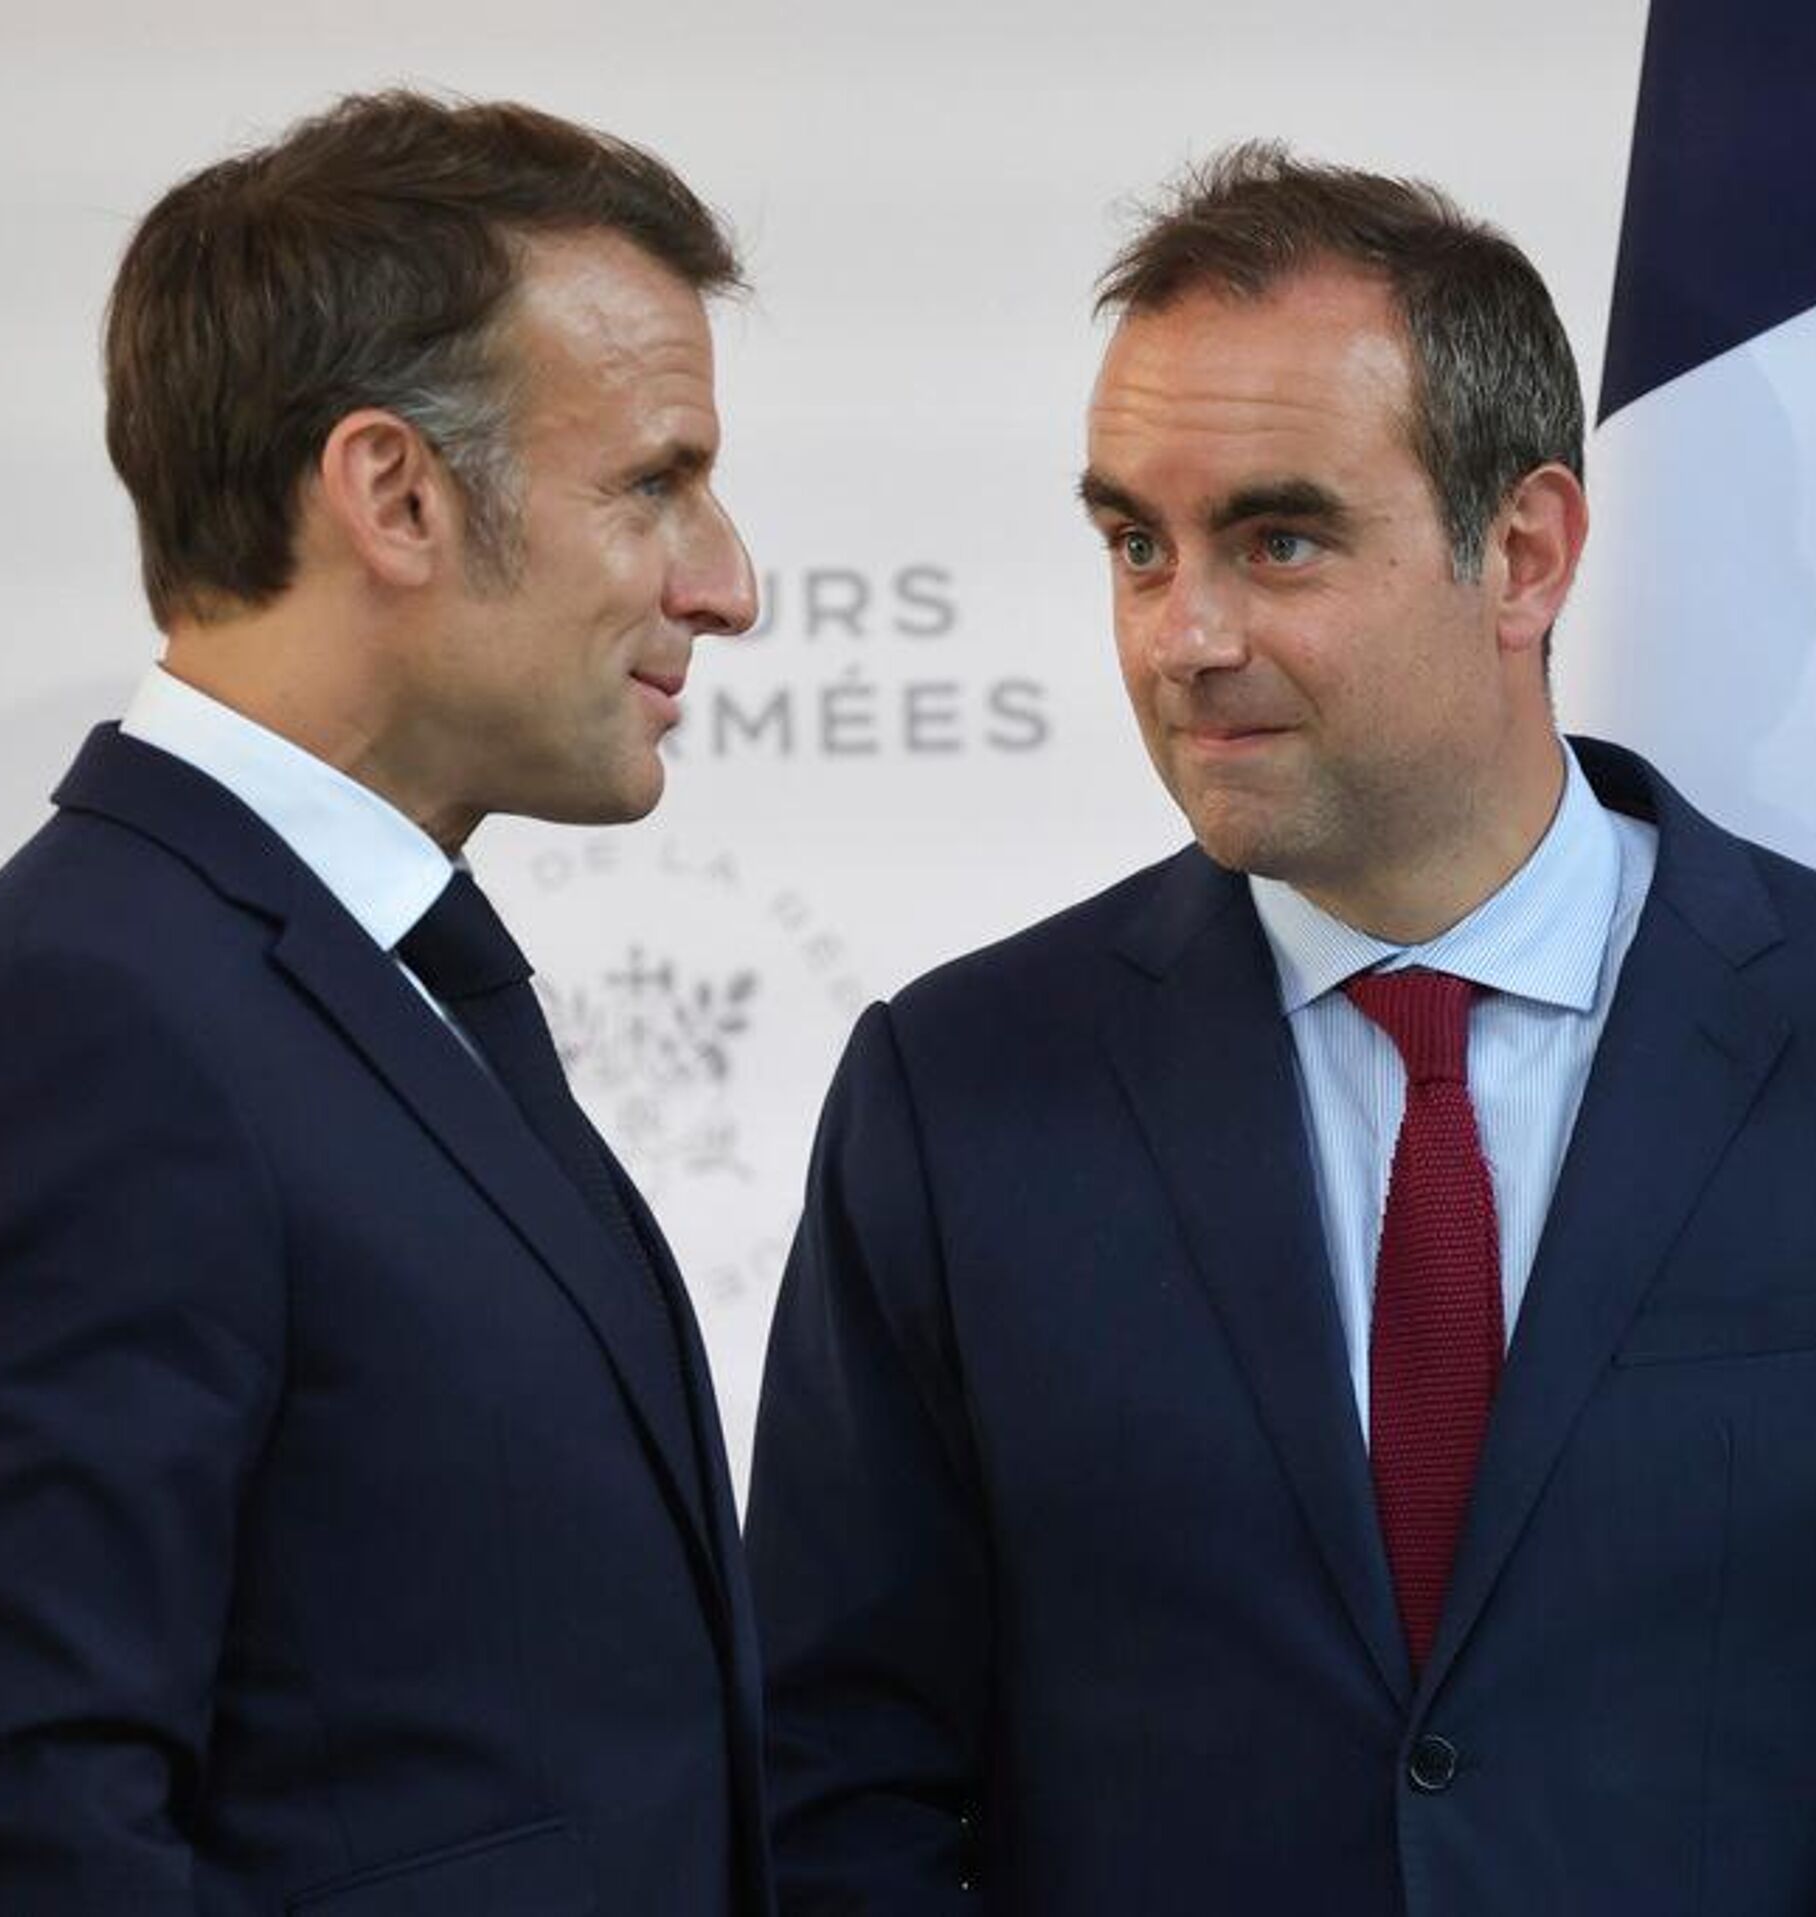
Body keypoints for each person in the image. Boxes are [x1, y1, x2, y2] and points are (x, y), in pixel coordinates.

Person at [746, 143, 1816, 1915]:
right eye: (1135, 545)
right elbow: (835, 1776)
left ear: (1524, 553)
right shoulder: (957, 1093)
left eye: (1280, 539)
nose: (1183, 634)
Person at [0, 91, 768, 1915]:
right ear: (394, 494)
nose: (727, 583)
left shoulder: (350, 976)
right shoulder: (79, 1026)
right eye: (653, 484)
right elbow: (15, 1833)